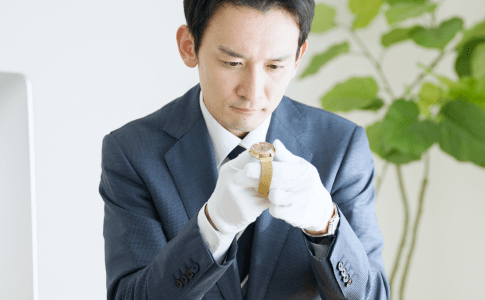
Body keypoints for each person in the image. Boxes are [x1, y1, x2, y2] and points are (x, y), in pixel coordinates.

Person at [99, 0, 389, 299]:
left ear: (299, 57)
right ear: (189, 46)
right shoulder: (132, 152)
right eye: (232, 63)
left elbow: (374, 294)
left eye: (275, 66)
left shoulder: (341, 146)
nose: (252, 92)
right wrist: (212, 229)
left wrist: (326, 225)